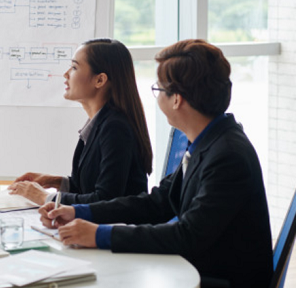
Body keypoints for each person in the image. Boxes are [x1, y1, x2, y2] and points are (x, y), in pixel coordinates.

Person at [39, 39, 274, 287]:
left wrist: (100, 234)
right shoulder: (208, 141)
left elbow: (187, 236)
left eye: (158, 89)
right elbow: (157, 202)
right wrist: (78, 211)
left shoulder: (227, 156)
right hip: (200, 266)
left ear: (177, 99)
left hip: (221, 279)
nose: (155, 96)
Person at [9, 38, 152, 205]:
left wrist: (46, 198)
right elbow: (89, 187)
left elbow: (104, 200)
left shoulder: (115, 128)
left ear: (100, 80)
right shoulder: (100, 122)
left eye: (75, 67)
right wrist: (55, 181)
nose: (66, 74)